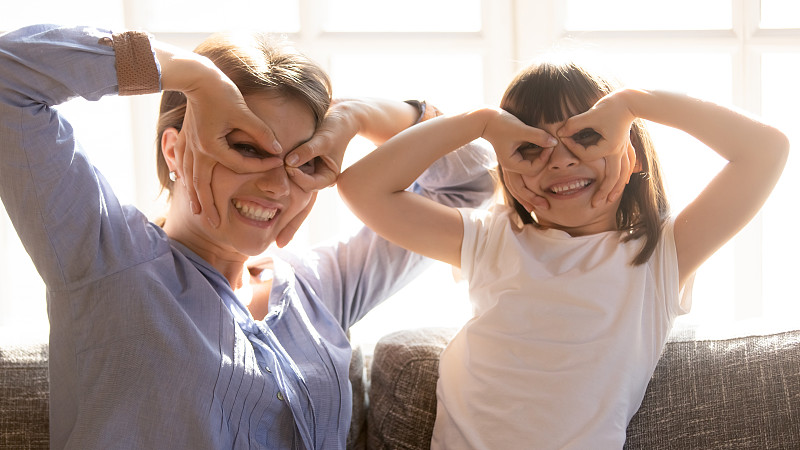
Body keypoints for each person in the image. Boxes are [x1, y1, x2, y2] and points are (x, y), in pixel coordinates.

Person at [0, 24, 496, 449]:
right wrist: (192, 75)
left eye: (304, 160)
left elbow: (466, 183)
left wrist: (361, 116)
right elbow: (9, 74)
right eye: (247, 149)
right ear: (174, 151)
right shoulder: (107, 257)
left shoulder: (320, 288)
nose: (279, 185)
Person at [337, 60, 789, 448]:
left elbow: (766, 150)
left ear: (630, 156)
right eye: (531, 148)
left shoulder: (660, 256)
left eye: (588, 137)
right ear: (507, 170)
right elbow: (361, 188)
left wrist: (634, 103)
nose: (559, 160)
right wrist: (478, 123)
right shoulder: (490, 239)